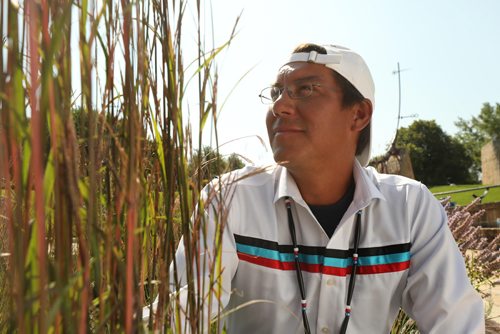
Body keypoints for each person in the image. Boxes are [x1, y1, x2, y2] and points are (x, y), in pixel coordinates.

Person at [145, 43, 485, 333]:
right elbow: (181, 313)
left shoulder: (410, 208)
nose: (279, 105)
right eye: (276, 92)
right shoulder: (230, 198)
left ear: (359, 115)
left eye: (306, 89)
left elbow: (455, 323)